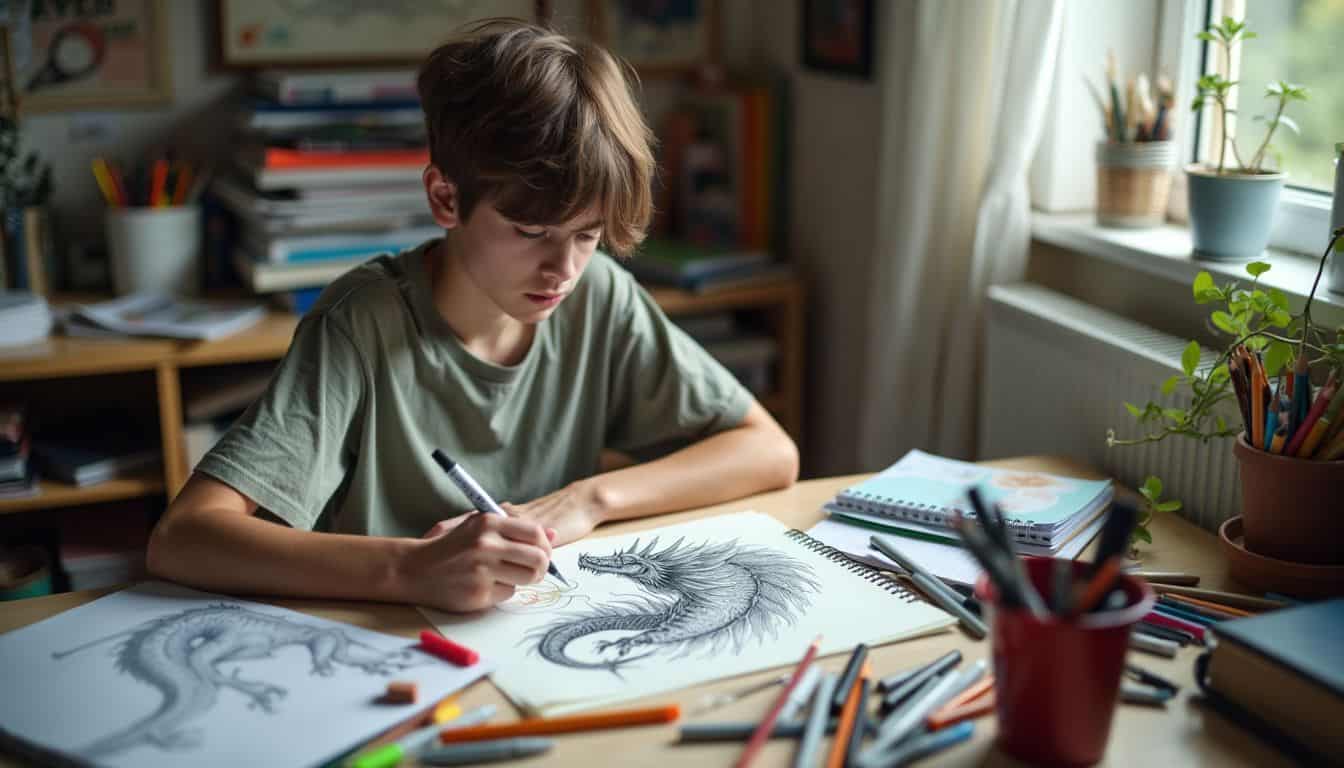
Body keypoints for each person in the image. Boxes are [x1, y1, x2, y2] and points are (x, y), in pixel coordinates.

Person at [147, 20, 798, 614]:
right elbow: (183, 539)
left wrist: (590, 500)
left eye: (588, 234)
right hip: (382, 644)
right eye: (530, 229)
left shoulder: (598, 294)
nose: (562, 269)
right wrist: (409, 569)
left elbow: (769, 451)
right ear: (445, 197)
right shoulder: (364, 321)